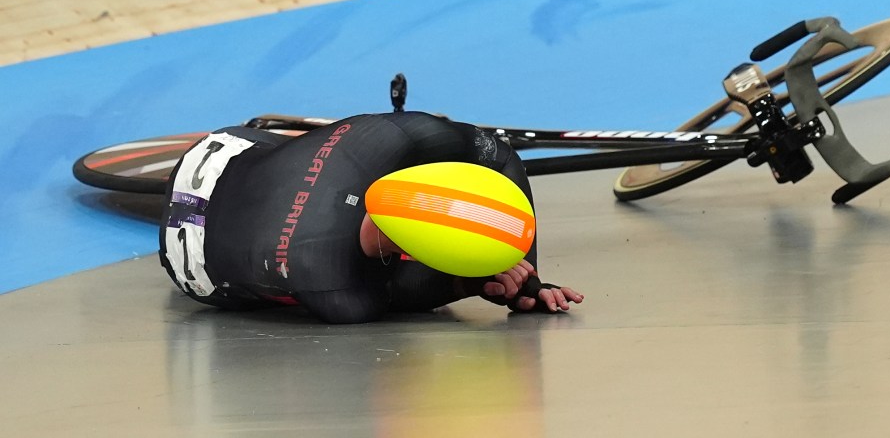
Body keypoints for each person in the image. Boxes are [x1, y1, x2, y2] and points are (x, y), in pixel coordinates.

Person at [159, 111, 583, 324]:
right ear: (413, 254)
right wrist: (507, 282)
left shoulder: (388, 138)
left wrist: (517, 271)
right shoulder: (335, 288)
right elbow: (423, 292)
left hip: (220, 150)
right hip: (198, 269)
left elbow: (499, 153)